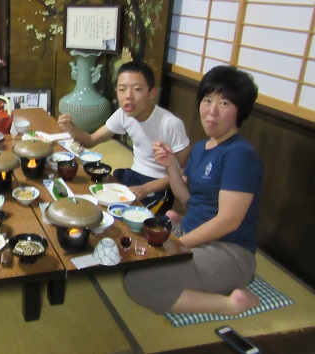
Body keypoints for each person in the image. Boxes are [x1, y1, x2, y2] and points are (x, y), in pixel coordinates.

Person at [125, 65, 263, 316]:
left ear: (239, 110)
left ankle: (232, 305)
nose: (212, 110)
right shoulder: (201, 147)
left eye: (224, 103)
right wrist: (171, 166)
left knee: (138, 282)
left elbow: (229, 221)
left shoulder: (240, 155)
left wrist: (178, 245)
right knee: (129, 248)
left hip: (227, 251)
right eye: (207, 100)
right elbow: (187, 198)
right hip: (192, 235)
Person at [58, 61, 190, 215]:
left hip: (159, 188)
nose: (128, 96)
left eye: (137, 89)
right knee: (90, 200)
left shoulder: (170, 124)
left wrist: (147, 188)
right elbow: (91, 140)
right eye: (122, 89)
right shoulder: (123, 114)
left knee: (131, 217)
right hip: (132, 176)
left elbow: (183, 172)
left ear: (152, 93)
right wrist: (71, 127)